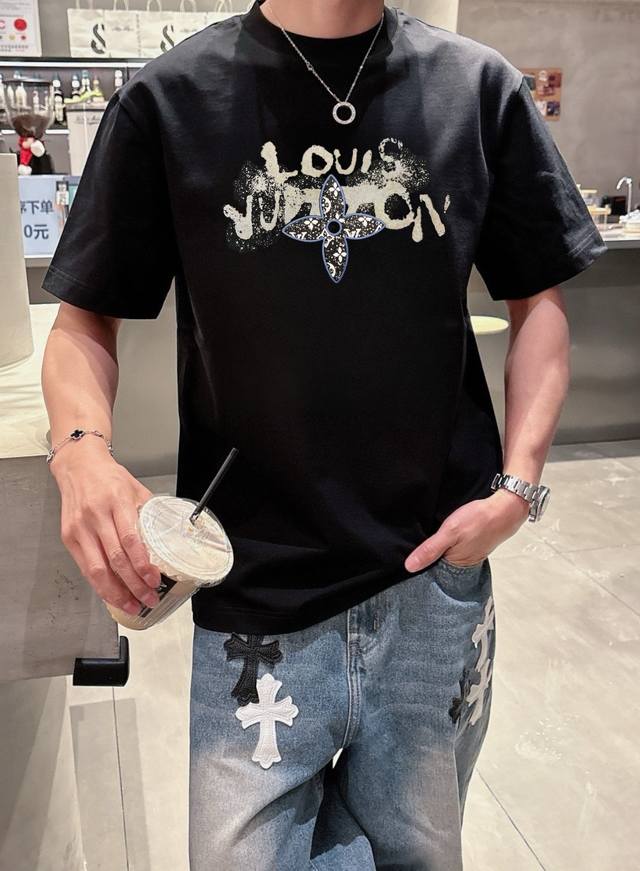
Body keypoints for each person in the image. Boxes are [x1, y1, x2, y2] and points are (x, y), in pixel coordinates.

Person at [41, 1, 607, 868]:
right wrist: (81, 452)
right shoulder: (173, 100)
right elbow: (85, 316)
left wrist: (518, 485)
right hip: (253, 596)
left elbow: (540, 296)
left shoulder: (475, 89)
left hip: (432, 585)